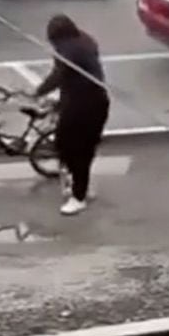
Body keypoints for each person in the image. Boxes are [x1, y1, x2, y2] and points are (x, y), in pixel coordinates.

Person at [33, 14, 110, 216]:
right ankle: (80, 187)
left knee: (76, 151)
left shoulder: (69, 51)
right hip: (90, 101)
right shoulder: (84, 40)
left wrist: (38, 92)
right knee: (74, 148)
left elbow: (58, 75)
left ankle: (78, 197)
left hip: (85, 106)